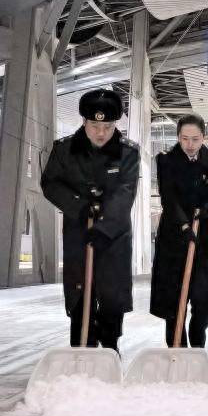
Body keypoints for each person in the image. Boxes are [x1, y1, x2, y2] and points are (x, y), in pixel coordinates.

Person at [41, 89, 140, 353]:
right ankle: (81, 353)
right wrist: (79, 206)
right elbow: (50, 184)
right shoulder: (64, 150)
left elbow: (125, 193)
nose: (101, 133)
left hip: (113, 238)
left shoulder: (128, 152)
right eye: (95, 126)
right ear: (84, 122)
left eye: (108, 127)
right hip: (79, 235)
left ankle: (110, 351)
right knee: (79, 298)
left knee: (111, 300)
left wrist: (103, 227)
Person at [150, 115, 208, 348]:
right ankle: (177, 351)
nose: (190, 144)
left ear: (204, 137)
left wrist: (207, 210)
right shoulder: (166, 160)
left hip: (205, 237)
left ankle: (197, 339)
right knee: (173, 304)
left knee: (205, 299)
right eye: (185, 139)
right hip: (174, 237)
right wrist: (184, 225)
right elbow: (168, 198)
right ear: (178, 137)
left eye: (195, 139)